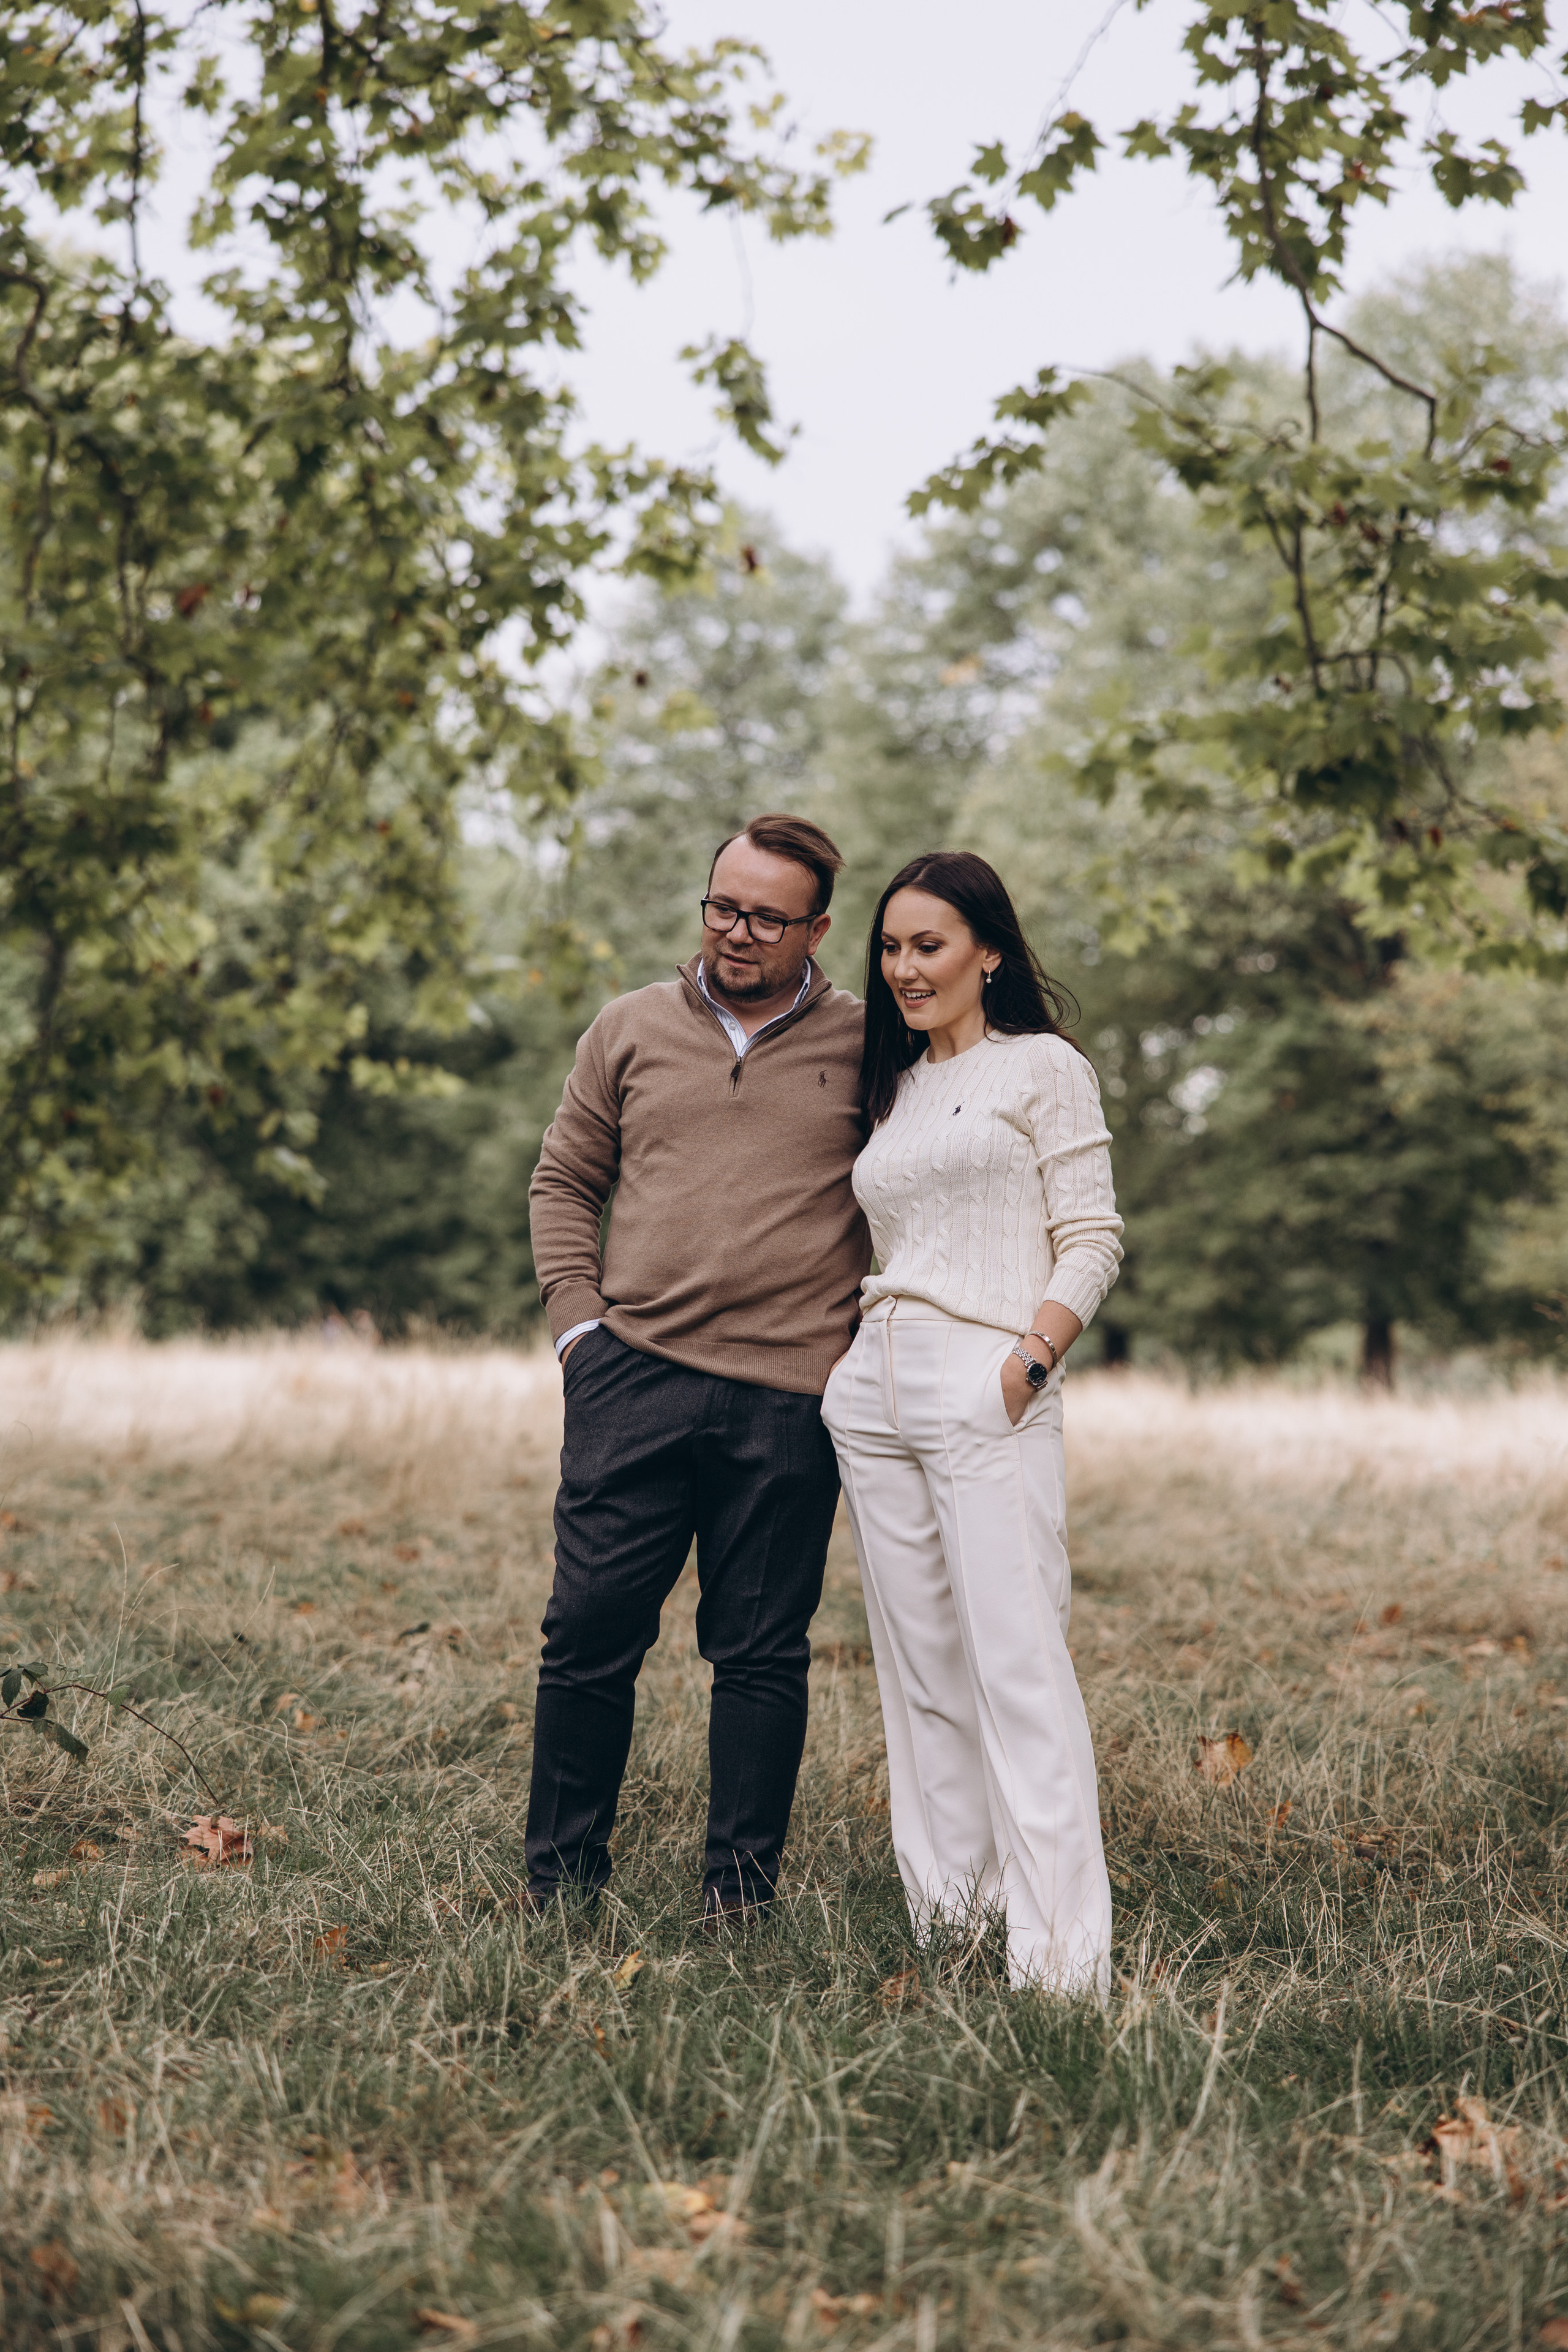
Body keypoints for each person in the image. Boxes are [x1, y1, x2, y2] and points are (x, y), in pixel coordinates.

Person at [525, 813, 870, 1923]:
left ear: (818, 927)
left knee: (761, 1652)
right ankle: (563, 1882)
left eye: (769, 918)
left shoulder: (874, 1047)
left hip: (792, 1395)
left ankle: (739, 1894)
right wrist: (581, 1331)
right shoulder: (627, 1028)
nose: (738, 932)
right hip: (636, 1376)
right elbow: (563, 1183)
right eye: (724, 906)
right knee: (587, 1635)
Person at [821, 851, 1123, 1996]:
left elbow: (1091, 1236)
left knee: (1018, 1668)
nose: (905, 968)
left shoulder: (1043, 1069)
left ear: (988, 950)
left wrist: (1027, 1362)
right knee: (924, 1674)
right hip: (874, 1391)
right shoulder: (892, 1092)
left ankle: (1058, 1964)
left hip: (989, 1377)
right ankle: (954, 1923)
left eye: (929, 944)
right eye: (891, 948)